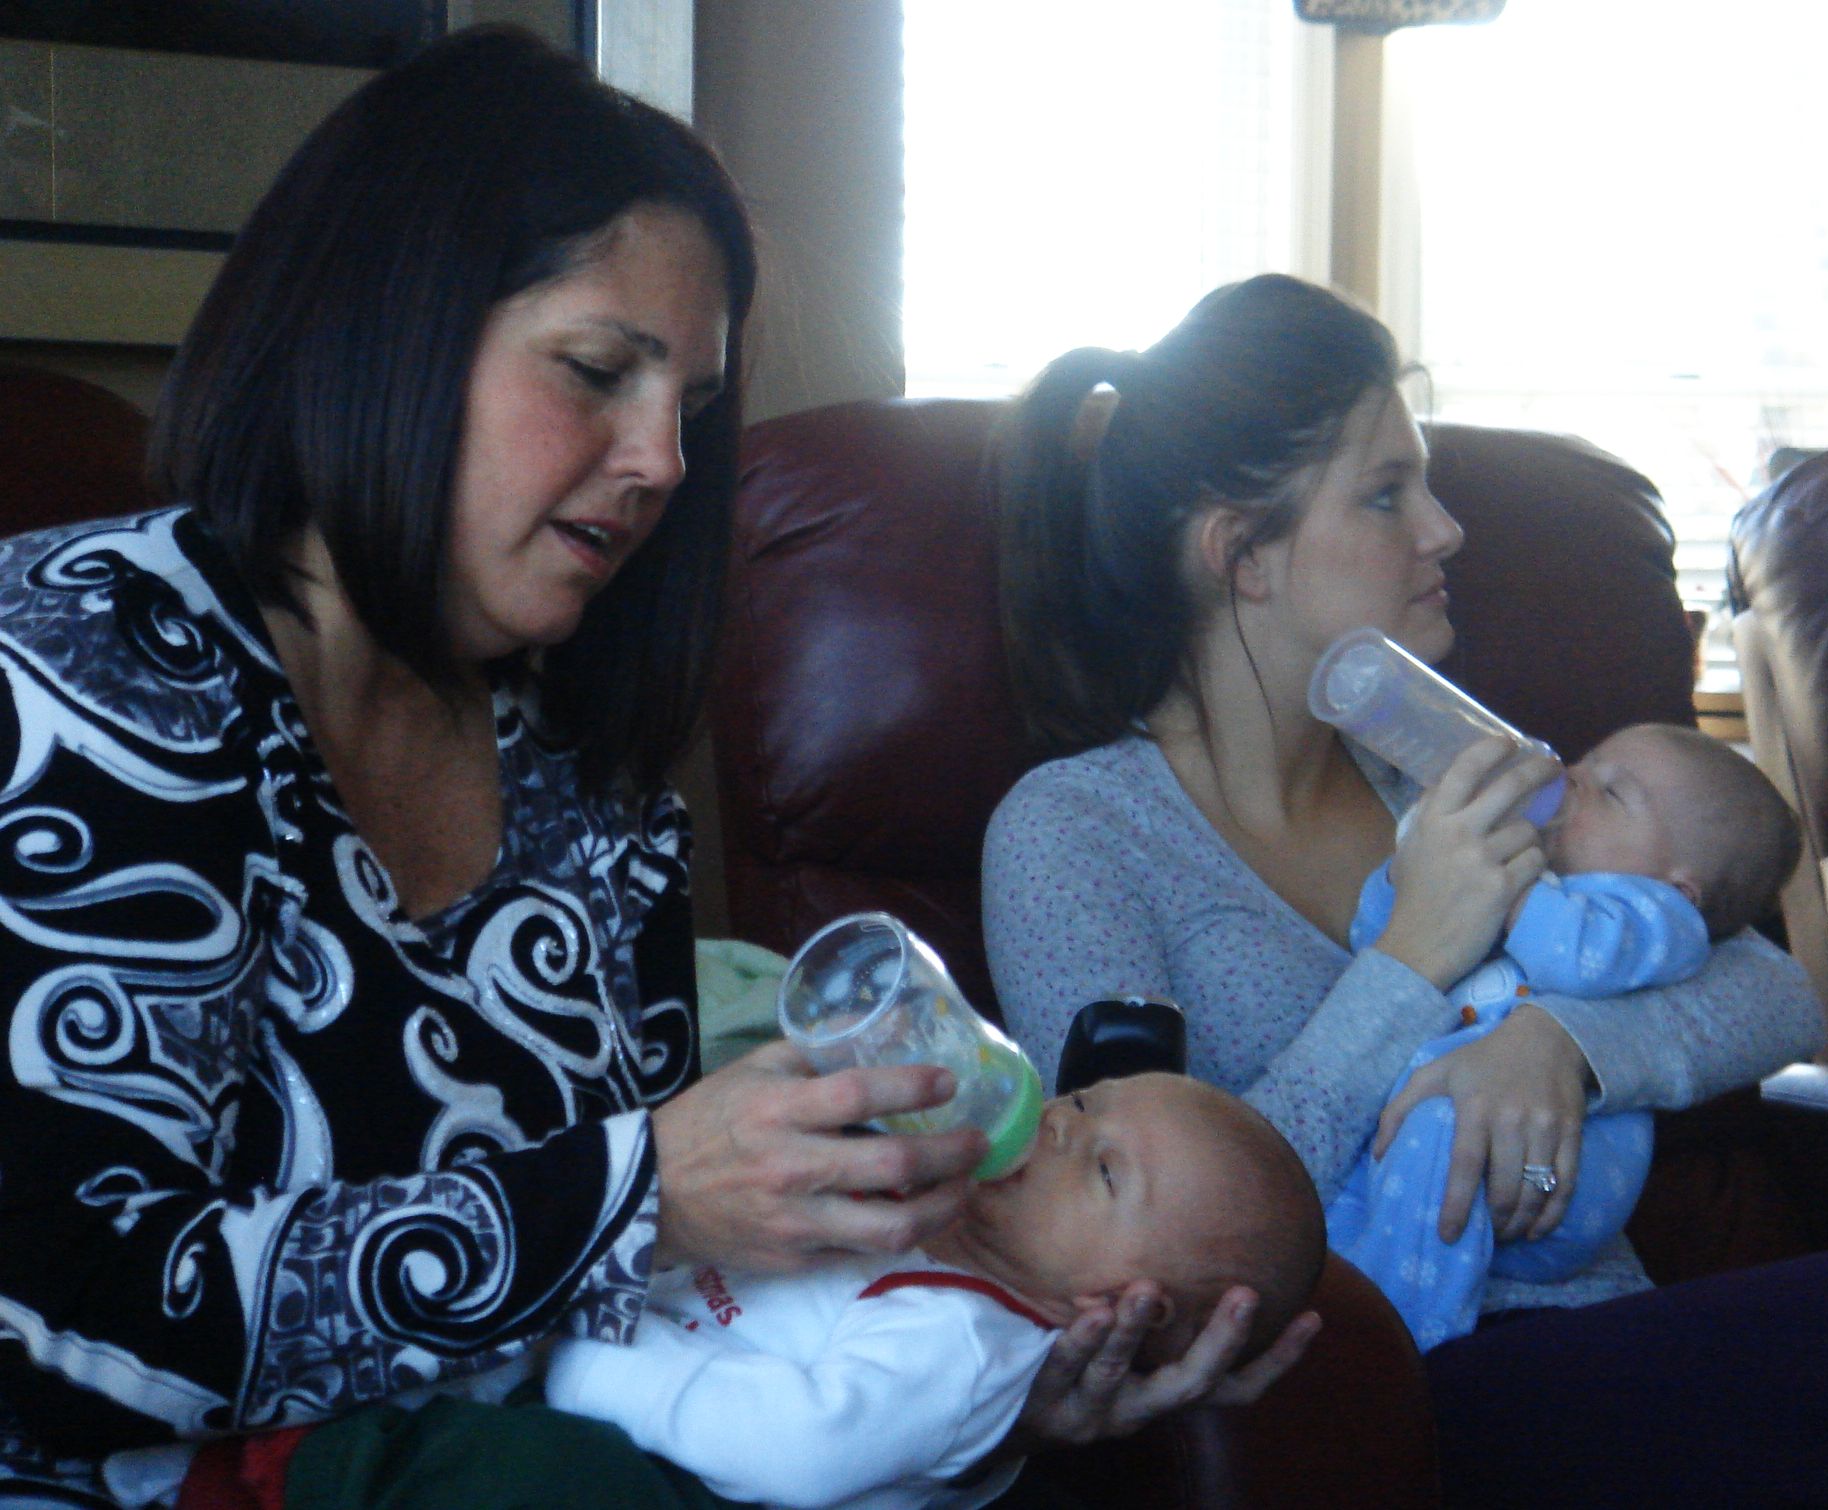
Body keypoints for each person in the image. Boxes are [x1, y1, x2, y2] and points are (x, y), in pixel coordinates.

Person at [0, 32, 1309, 1509]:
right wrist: (635, 1197)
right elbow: (55, 1320)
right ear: (388, 323)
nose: (662, 462)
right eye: (597, 370)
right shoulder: (78, 667)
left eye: (685, 409)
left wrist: (966, 1374)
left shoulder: (585, 785)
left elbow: (684, 1316)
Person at [982, 273, 1828, 1506]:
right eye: (1389, 494)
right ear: (1243, 554)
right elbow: (1131, 1239)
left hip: (1601, 1333)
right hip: (1385, 1387)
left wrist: (1561, 1042)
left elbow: (1767, 992)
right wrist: (1409, 962)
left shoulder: (1433, 769)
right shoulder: (1073, 836)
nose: (1446, 531)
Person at [536, 1073, 1322, 1510]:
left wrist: (582, 1362)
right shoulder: (933, 1215)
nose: (1057, 1127)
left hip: (643, 1435)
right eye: (1084, 1101)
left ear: (1123, 1305)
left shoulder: (965, 1348)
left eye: (1105, 1170)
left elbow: (799, 1454)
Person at [1329, 721, 1802, 1348]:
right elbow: (1377, 944)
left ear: (1678, 884)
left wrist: (1504, 880)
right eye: (1583, 762)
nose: (1570, 778)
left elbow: (1579, 958)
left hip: (1558, 1178)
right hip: (1431, 1144)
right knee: (1344, 1203)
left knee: (1442, 1128)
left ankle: (1414, 1342)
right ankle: (1346, 1313)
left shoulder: (1653, 918)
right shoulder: (1539, 881)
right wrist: (1411, 875)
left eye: (1611, 794)